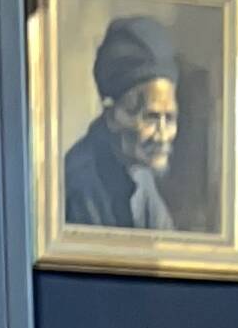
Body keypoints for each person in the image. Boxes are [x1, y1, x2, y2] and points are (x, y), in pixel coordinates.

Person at [64, 14, 184, 232]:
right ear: (112, 117)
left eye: (170, 118)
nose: (164, 135)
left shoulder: (141, 174)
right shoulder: (81, 184)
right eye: (151, 118)